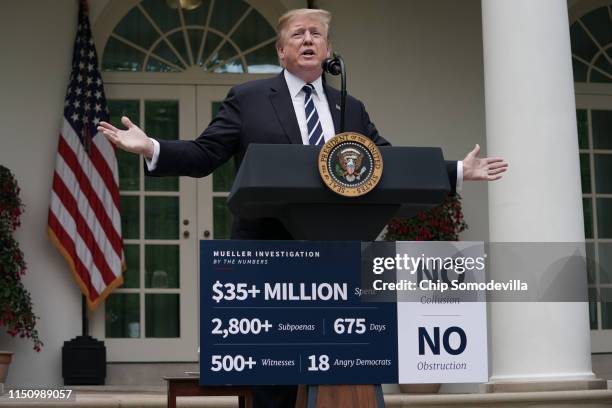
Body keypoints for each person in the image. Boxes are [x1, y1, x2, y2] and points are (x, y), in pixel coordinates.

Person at [98, 8, 507, 407]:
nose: (308, 39)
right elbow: (206, 154)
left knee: (337, 378)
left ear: (329, 50)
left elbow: (386, 165)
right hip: (267, 261)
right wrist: (152, 147)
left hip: (334, 264)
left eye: (316, 34)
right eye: (298, 34)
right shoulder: (249, 99)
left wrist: (453, 170)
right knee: (274, 381)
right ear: (280, 51)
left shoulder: (351, 107)